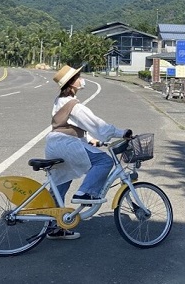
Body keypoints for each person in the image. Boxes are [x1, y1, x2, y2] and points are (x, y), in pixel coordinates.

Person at [44, 64, 133, 240]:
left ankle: (55, 226)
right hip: (65, 144)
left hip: (55, 144)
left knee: (62, 180)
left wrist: (90, 140)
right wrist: (121, 132)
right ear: (71, 83)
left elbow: (71, 125)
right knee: (104, 162)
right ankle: (86, 192)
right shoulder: (73, 104)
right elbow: (96, 124)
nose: (81, 79)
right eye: (78, 77)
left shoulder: (60, 100)